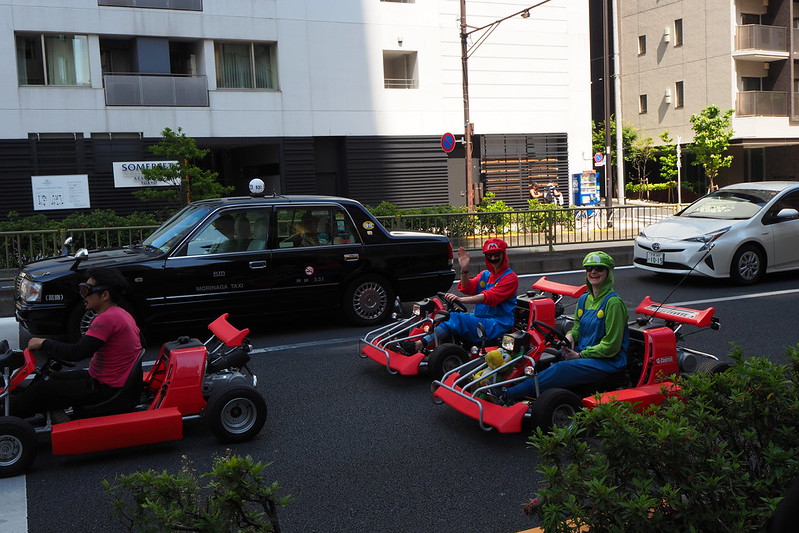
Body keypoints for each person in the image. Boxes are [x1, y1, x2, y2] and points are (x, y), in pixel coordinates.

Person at [12, 267, 142, 419]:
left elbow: (76, 353)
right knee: (51, 377)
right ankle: (28, 411)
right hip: (105, 380)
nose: (83, 296)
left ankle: (7, 421)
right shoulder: (121, 314)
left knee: (41, 389)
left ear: (105, 295)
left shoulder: (107, 319)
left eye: (87, 290)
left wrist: (44, 343)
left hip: (106, 388)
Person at [501, 251, 629, 401]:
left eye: (599, 268)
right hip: (583, 353)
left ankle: (508, 394)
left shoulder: (613, 303)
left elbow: (611, 346)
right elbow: (576, 329)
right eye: (589, 269)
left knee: (559, 368)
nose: (593, 272)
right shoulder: (584, 299)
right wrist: (569, 338)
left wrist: (579, 355)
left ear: (608, 273)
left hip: (607, 362)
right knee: (540, 357)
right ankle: (506, 385)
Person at [411, 238, 518, 351]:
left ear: (503, 254)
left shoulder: (510, 278)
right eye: (490, 255)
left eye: (496, 255)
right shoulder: (486, 275)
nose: (493, 258)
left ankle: (418, 345)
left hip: (497, 323)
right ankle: (411, 341)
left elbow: (489, 296)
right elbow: (468, 287)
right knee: (443, 315)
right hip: (480, 318)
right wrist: (464, 269)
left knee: (456, 318)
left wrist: (461, 300)